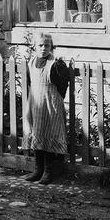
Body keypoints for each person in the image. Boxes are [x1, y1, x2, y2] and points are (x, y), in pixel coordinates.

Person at [23, 33, 68, 184]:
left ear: (51, 47)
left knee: (49, 133)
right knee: (37, 132)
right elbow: (31, 82)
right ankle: (38, 170)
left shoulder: (56, 64)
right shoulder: (31, 62)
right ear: (34, 47)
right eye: (40, 45)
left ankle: (48, 172)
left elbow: (63, 86)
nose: (43, 48)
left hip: (50, 104)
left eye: (47, 45)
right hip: (35, 104)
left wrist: (54, 99)